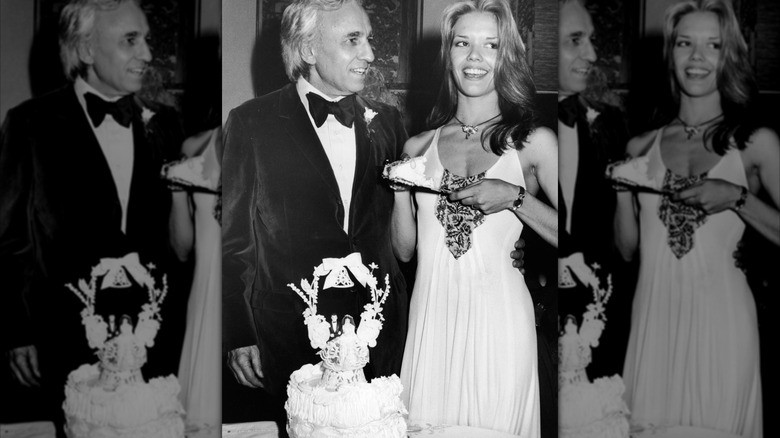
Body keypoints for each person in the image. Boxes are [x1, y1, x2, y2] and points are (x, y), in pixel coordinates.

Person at [220, 0, 410, 424]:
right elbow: (232, 243)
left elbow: (409, 223)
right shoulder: (252, 122)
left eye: (369, 39)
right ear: (307, 50)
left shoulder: (390, 123)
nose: (370, 54)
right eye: (352, 40)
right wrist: (237, 334)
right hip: (288, 336)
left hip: (378, 335)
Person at [0, 0, 184, 436]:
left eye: (147, 40)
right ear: (85, 50)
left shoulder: (168, 124)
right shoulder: (30, 124)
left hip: (155, 335)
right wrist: (16, 331)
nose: (146, 53)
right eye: (129, 40)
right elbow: (9, 239)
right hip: (66, 331)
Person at [392, 0, 557, 435]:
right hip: (431, 322)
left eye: (491, 45)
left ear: (508, 58)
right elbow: (405, 250)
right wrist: (398, 192)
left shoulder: (534, 143)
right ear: (448, 54)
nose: (475, 57)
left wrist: (514, 197)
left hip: (500, 323)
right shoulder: (416, 147)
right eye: (463, 43)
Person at [614, 1, 778, 436]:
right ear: (671, 53)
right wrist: (620, 194)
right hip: (654, 323)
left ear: (730, 57)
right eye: (685, 43)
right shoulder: (639, 147)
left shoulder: (756, 143)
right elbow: (628, 250)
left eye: (713, 45)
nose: (697, 57)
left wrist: (737, 196)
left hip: (723, 323)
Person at [557, 0, 632, 380]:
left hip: (597, 308)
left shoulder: (612, 125)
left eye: (591, 40)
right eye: (575, 40)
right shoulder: (513, 129)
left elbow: (625, 241)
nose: (592, 53)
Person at [165, 126, 222, 436]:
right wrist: (176, 192)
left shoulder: (258, 134)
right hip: (203, 302)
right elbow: (182, 249)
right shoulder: (195, 145)